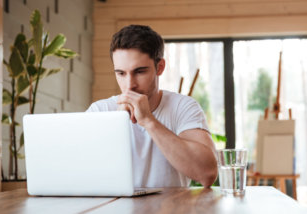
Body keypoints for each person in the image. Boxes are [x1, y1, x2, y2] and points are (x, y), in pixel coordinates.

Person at [87, 25, 218, 188]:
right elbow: (83, 173)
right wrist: (117, 124)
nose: (129, 85)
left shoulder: (183, 107)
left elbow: (207, 174)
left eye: (140, 71)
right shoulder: (100, 111)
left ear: (160, 67)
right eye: (121, 73)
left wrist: (149, 121)